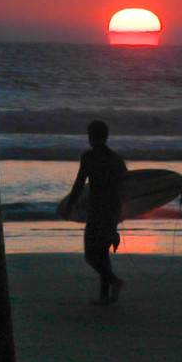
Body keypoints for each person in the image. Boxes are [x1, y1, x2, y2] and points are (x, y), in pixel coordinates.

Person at [59, 119, 127, 303]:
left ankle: (114, 282)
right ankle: (105, 295)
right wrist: (119, 215)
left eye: (90, 134)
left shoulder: (88, 157)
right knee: (102, 254)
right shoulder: (116, 159)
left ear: (93, 137)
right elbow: (125, 188)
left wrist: (70, 204)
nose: (88, 138)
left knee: (90, 255)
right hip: (112, 210)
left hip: (97, 210)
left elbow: (79, 184)